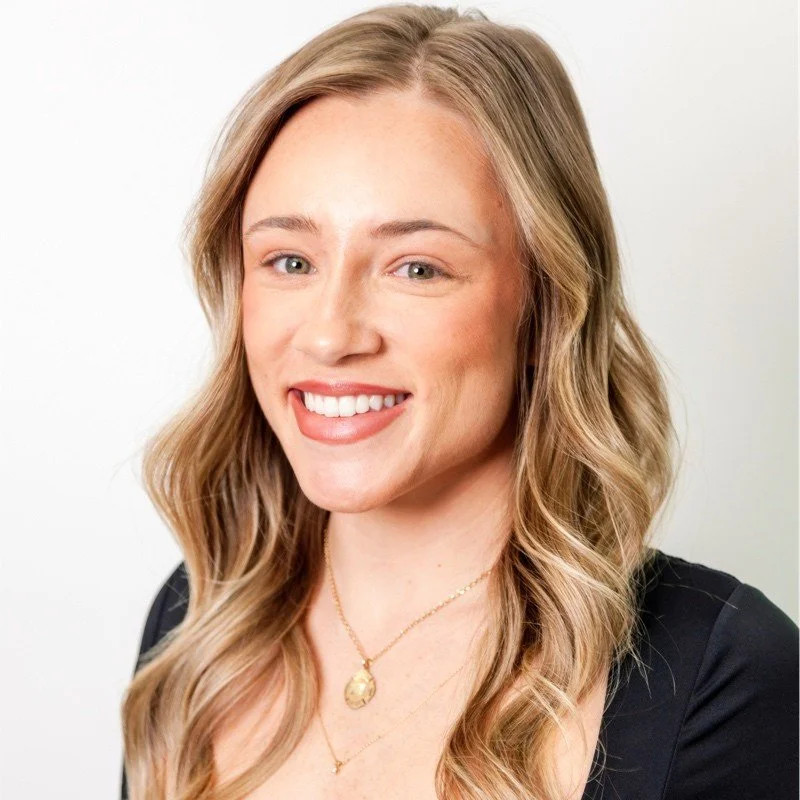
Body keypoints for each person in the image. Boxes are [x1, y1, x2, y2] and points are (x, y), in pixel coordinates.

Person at [119, 5, 798, 799]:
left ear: (544, 299)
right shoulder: (200, 622)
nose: (330, 335)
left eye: (416, 268)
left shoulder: (720, 674)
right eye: (291, 259)